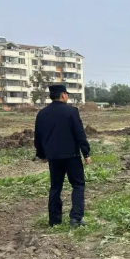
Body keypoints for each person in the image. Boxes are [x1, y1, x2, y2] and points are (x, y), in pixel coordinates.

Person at [34, 85, 91, 227]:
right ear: (63, 95)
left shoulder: (42, 114)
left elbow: (38, 136)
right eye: (67, 94)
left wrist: (42, 154)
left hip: (53, 157)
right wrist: (86, 152)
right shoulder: (71, 112)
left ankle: (54, 220)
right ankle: (76, 218)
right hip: (71, 155)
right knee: (78, 185)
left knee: (55, 187)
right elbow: (79, 133)